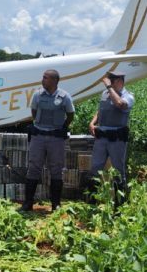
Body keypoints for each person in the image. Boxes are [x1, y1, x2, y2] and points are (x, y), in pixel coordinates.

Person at [21, 69, 74, 211]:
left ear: (54, 81)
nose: (42, 80)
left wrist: (62, 127)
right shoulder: (37, 95)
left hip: (56, 138)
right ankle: (28, 203)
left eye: (46, 78)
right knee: (33, 168)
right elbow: (33, 112)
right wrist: (39, 124)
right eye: (43, 77)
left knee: (56, 170)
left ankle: (55, 204)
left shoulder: (65, 97)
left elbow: (70, 114)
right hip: (38, 136)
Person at [87, 71, 134, 208]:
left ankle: (120, 205)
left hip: (117, 138)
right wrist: (92, 122)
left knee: (118, 170)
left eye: (112, 81)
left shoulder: (128, 96)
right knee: (96, 167)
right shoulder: (105, 94)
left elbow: (120, 104)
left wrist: (109, 88)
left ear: (120, 81)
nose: (110, 84)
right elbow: (100, 110)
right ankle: (92, 202)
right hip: (102, 136)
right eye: (109, 81)